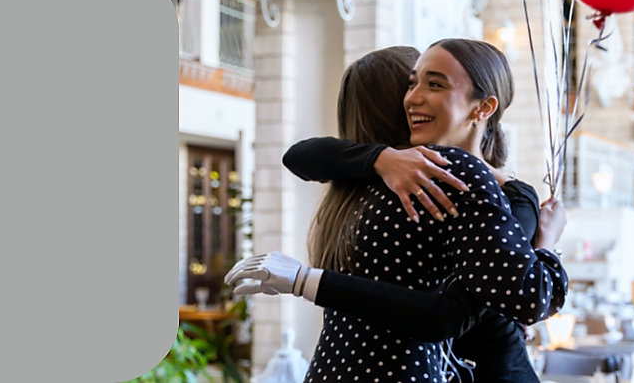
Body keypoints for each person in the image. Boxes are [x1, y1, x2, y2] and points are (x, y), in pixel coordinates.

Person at [225, 41, 568, 382]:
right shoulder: (385, 179)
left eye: (433, 84)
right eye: (411, 83)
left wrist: (545, 245)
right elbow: (299, 155)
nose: (414, 97)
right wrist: (382, 157)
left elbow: (483, 305)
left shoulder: (505, 192)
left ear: (482, 108)